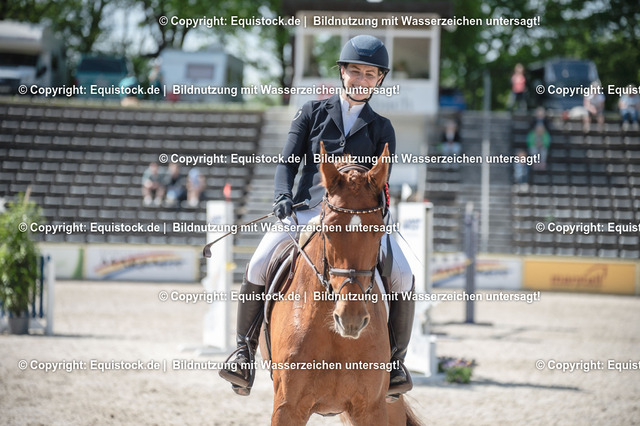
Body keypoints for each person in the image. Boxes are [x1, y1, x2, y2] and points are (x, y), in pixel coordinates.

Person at [219, 35, 415, 398]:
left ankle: (395, 363)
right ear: (342, 73)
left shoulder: (382, 127)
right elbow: (287, 162)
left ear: (379, 80)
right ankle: (243, 353)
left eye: (369, 74)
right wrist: (282, 196)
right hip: (307, 211)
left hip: (358, 219)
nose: (361, 80)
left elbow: (381, 183)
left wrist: (379, 215)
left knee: (403, 274)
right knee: (258, 263)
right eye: (354, 71)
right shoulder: (311, 112)